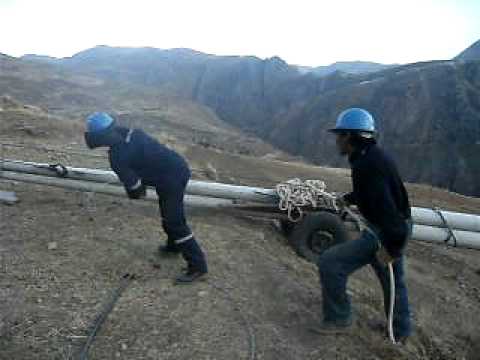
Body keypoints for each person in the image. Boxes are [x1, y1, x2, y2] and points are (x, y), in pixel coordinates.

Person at [316, 108, 412, 342]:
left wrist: (392, 249)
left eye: (339, 135)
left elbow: (391, 216)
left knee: (330, 263)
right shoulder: (370, 156)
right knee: (393, 283)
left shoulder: (366, 165)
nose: (336, 141)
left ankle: (339, 318)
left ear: (349, 136)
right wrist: (348, 199)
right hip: (389, 229)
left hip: (385, 233)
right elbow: (372, 193)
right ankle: (400, 331)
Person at [84, 112, 208, 284]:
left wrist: (133, 190)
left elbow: (136, 190)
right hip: (177, 166)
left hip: (171, 179)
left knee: (174, 221)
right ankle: (173, 246)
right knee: (168, 213)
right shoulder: (135, 133)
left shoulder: (117, 156)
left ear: (101, 137)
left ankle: (198, 266)